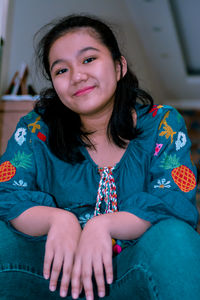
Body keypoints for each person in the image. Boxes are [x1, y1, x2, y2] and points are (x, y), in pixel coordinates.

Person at [0, 14, 200, 300]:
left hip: (131, 278)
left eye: (88, 59)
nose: (77, 76)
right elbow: (6, 195)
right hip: (52, 279)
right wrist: (59, 220)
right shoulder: (35, 130)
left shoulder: (162, 125)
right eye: (61, 70)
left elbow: (173, 201)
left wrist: (103, 225)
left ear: (119, 67)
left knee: (175, 237)